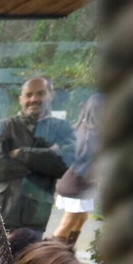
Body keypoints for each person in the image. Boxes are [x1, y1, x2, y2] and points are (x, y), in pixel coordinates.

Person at [0, 76, 74, 234]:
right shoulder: (3, 127)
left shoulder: (62, 128)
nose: (34, 99)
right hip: (0, 215)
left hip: (36, 219)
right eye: (28, 95)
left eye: (41, 94)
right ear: (21, 99)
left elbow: (65, 163)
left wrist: (21, 153)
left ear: (51, 96)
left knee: (29, 258)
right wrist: (44, 162)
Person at [53, 93, 102, 244]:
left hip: (78, 183)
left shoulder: (84, 128)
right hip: (76, 184)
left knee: (81, 218)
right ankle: (49, 256)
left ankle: (67, 249)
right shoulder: (90, 135)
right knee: (67, 223)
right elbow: (82, 163)